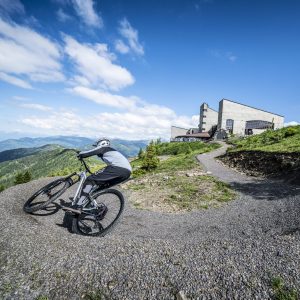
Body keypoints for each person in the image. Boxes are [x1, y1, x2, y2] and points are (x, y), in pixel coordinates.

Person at [70, 138, 132, 212]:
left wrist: (80, 154)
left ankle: (78, 205)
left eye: (96, 146)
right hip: (127, 173)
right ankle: (96, 208)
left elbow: (87, 153)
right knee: (98, 189)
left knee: (90, 180)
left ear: (101, 144)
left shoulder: (104, 148)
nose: (96, 147)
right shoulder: (111, 152)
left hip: (117, 168)